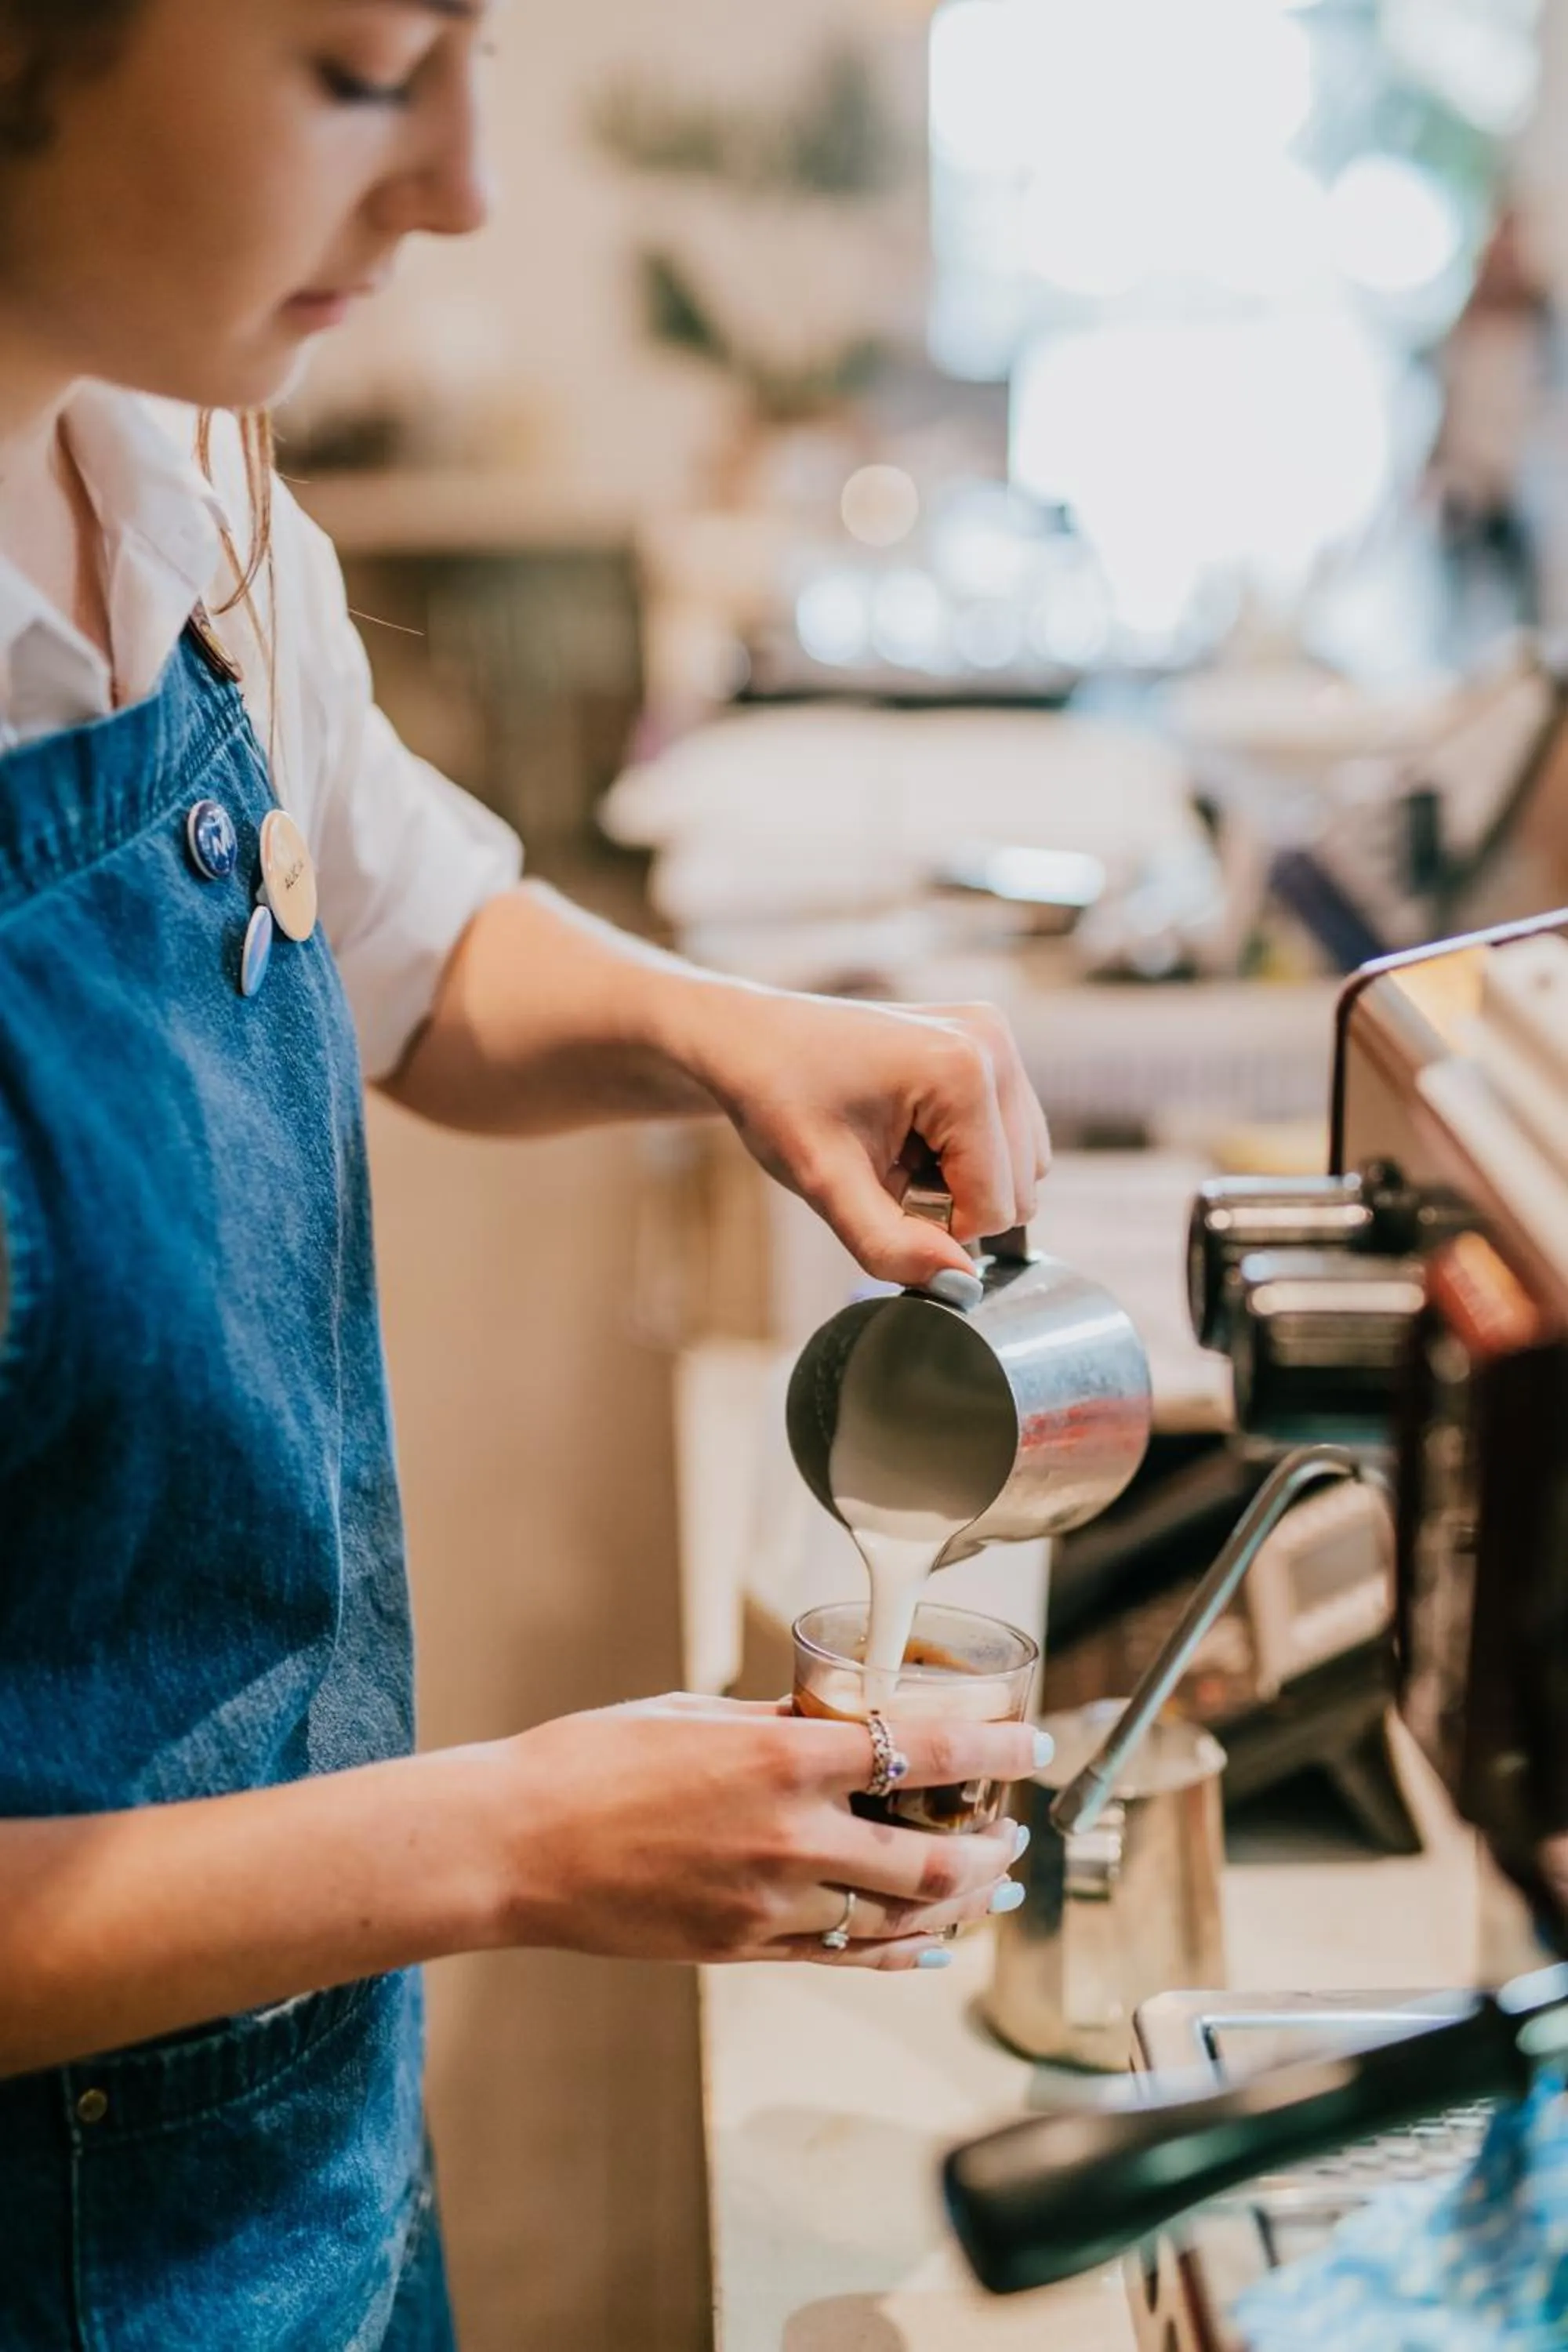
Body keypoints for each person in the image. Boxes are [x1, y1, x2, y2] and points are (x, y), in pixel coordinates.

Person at [0, 3, 1054, 2345]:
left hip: (287, 2133)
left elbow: (397, 927)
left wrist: (726, 1032)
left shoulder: (169, 462)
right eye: (366, 70)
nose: (464, 185)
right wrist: (507, 1838)